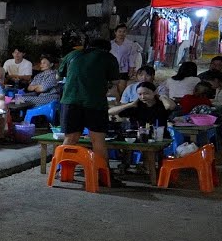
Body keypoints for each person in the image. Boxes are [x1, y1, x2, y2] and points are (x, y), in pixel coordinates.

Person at [57, 38, 121, 182]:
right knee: (97, 140)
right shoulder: (108, 57)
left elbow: (59, 76)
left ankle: (63, 172)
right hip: (95, 103)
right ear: (107, 48)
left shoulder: (72, 55)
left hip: (70, 101)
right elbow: (116, 81)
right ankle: (103, 176)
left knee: (70, 138)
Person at [109, 82, 174, 128]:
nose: (143, 97)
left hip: (158, 136)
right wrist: (130, 105)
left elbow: (169, 106)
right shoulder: (136, 105)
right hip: (137, 136)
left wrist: (162, 97)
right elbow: (110, 112)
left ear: (154, 92)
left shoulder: (161, 104)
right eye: (140, 94)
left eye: (146, 93)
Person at [109, 24, 142, 97]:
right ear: (115, 32)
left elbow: (132, 58)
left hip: (124, 69)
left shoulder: (130, 44)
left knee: (122, 86)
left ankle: (121, 101)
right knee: (113, 87)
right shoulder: (110, 44)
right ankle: (115, 101)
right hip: (112, 68)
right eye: (119, 31)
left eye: (124, 32)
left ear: (126, 33)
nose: (121, 33)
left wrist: (131, 69)